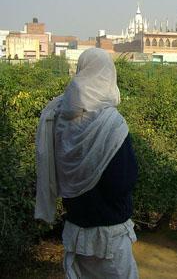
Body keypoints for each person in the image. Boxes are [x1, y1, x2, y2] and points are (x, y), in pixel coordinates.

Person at [35, 48, 139, 279]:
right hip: (109, 234)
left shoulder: (59, 118)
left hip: (77, 228)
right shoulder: (111, 123)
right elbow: (123, 181)